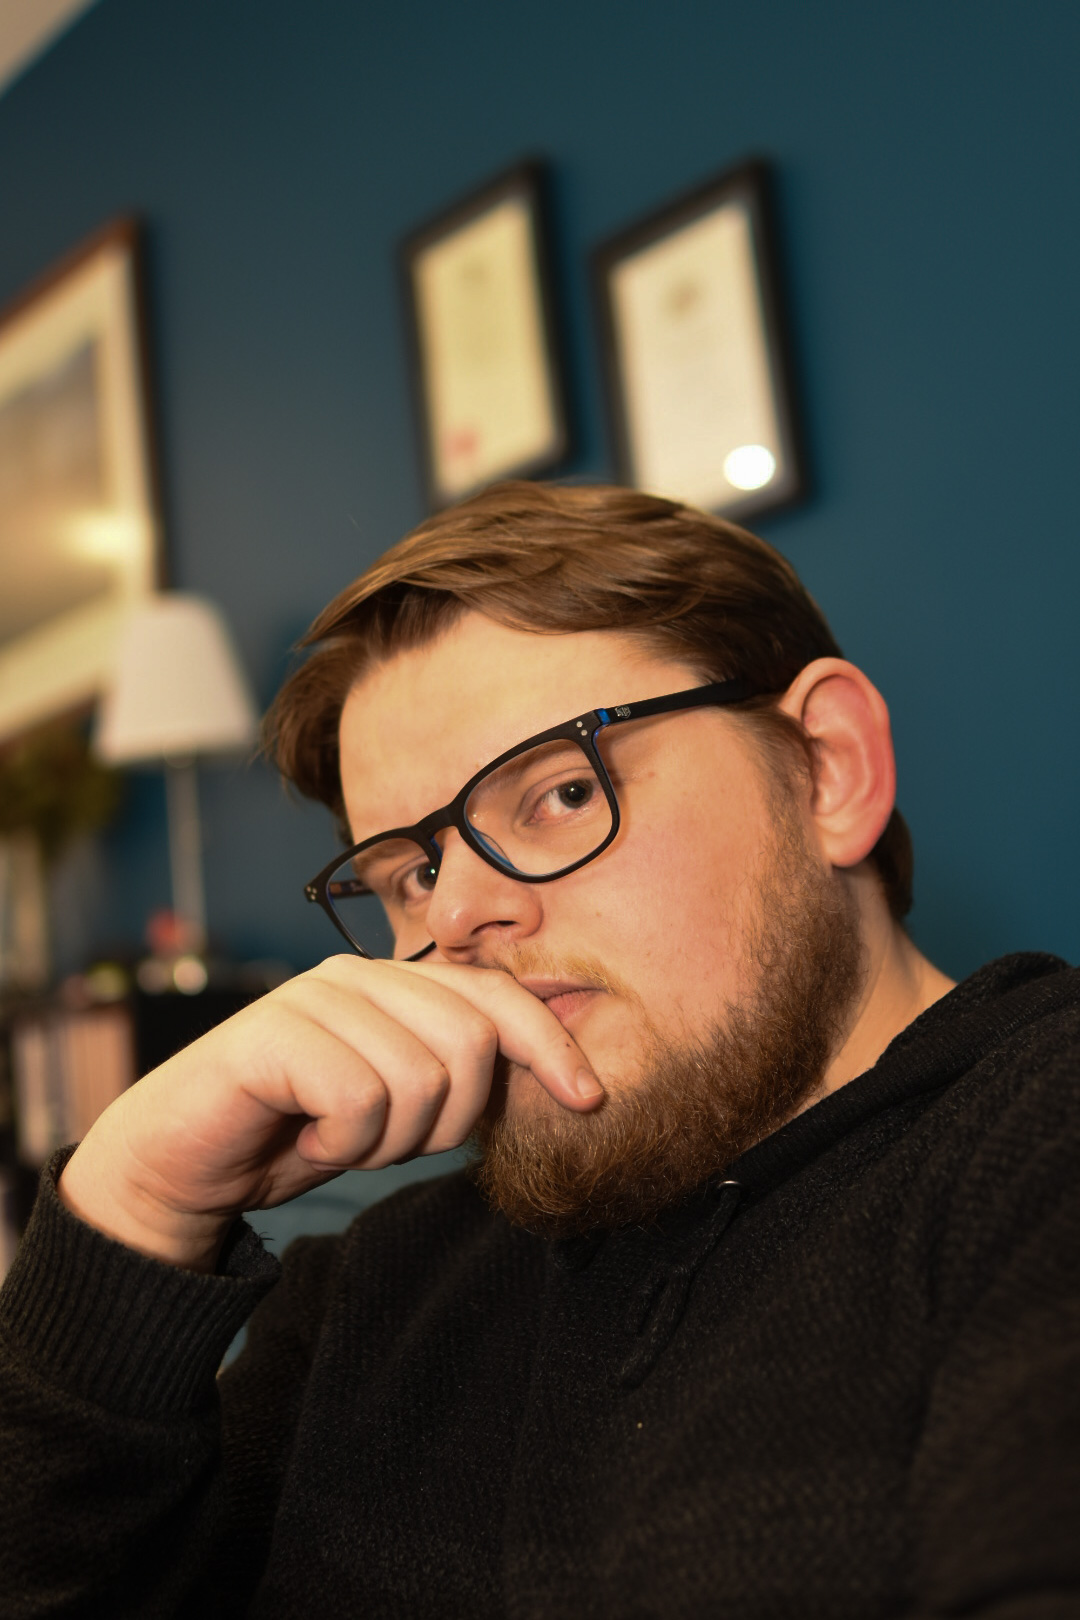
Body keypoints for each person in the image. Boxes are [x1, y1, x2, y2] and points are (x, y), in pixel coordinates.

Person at [1, 482, 1077, 1619]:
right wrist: (135, 1210)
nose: (457, 913)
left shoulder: (1036, 1148)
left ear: (828, 766)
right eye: (411, 873)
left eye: (560, 793)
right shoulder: (384, 1288)